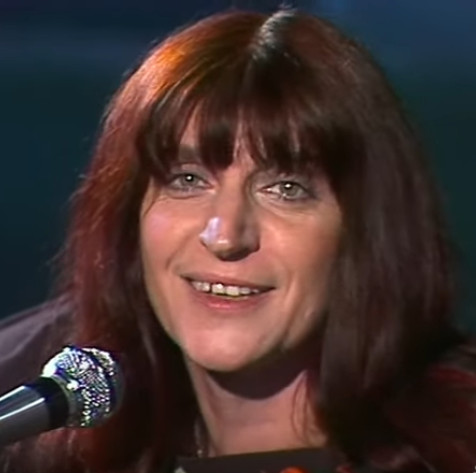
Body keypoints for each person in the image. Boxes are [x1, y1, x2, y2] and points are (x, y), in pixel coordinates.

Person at [2, 7, 476, 473]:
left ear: (366, 229)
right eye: (188, 180)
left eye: (286, 189)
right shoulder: (45, 389)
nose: (225, 235)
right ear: (130, 216)